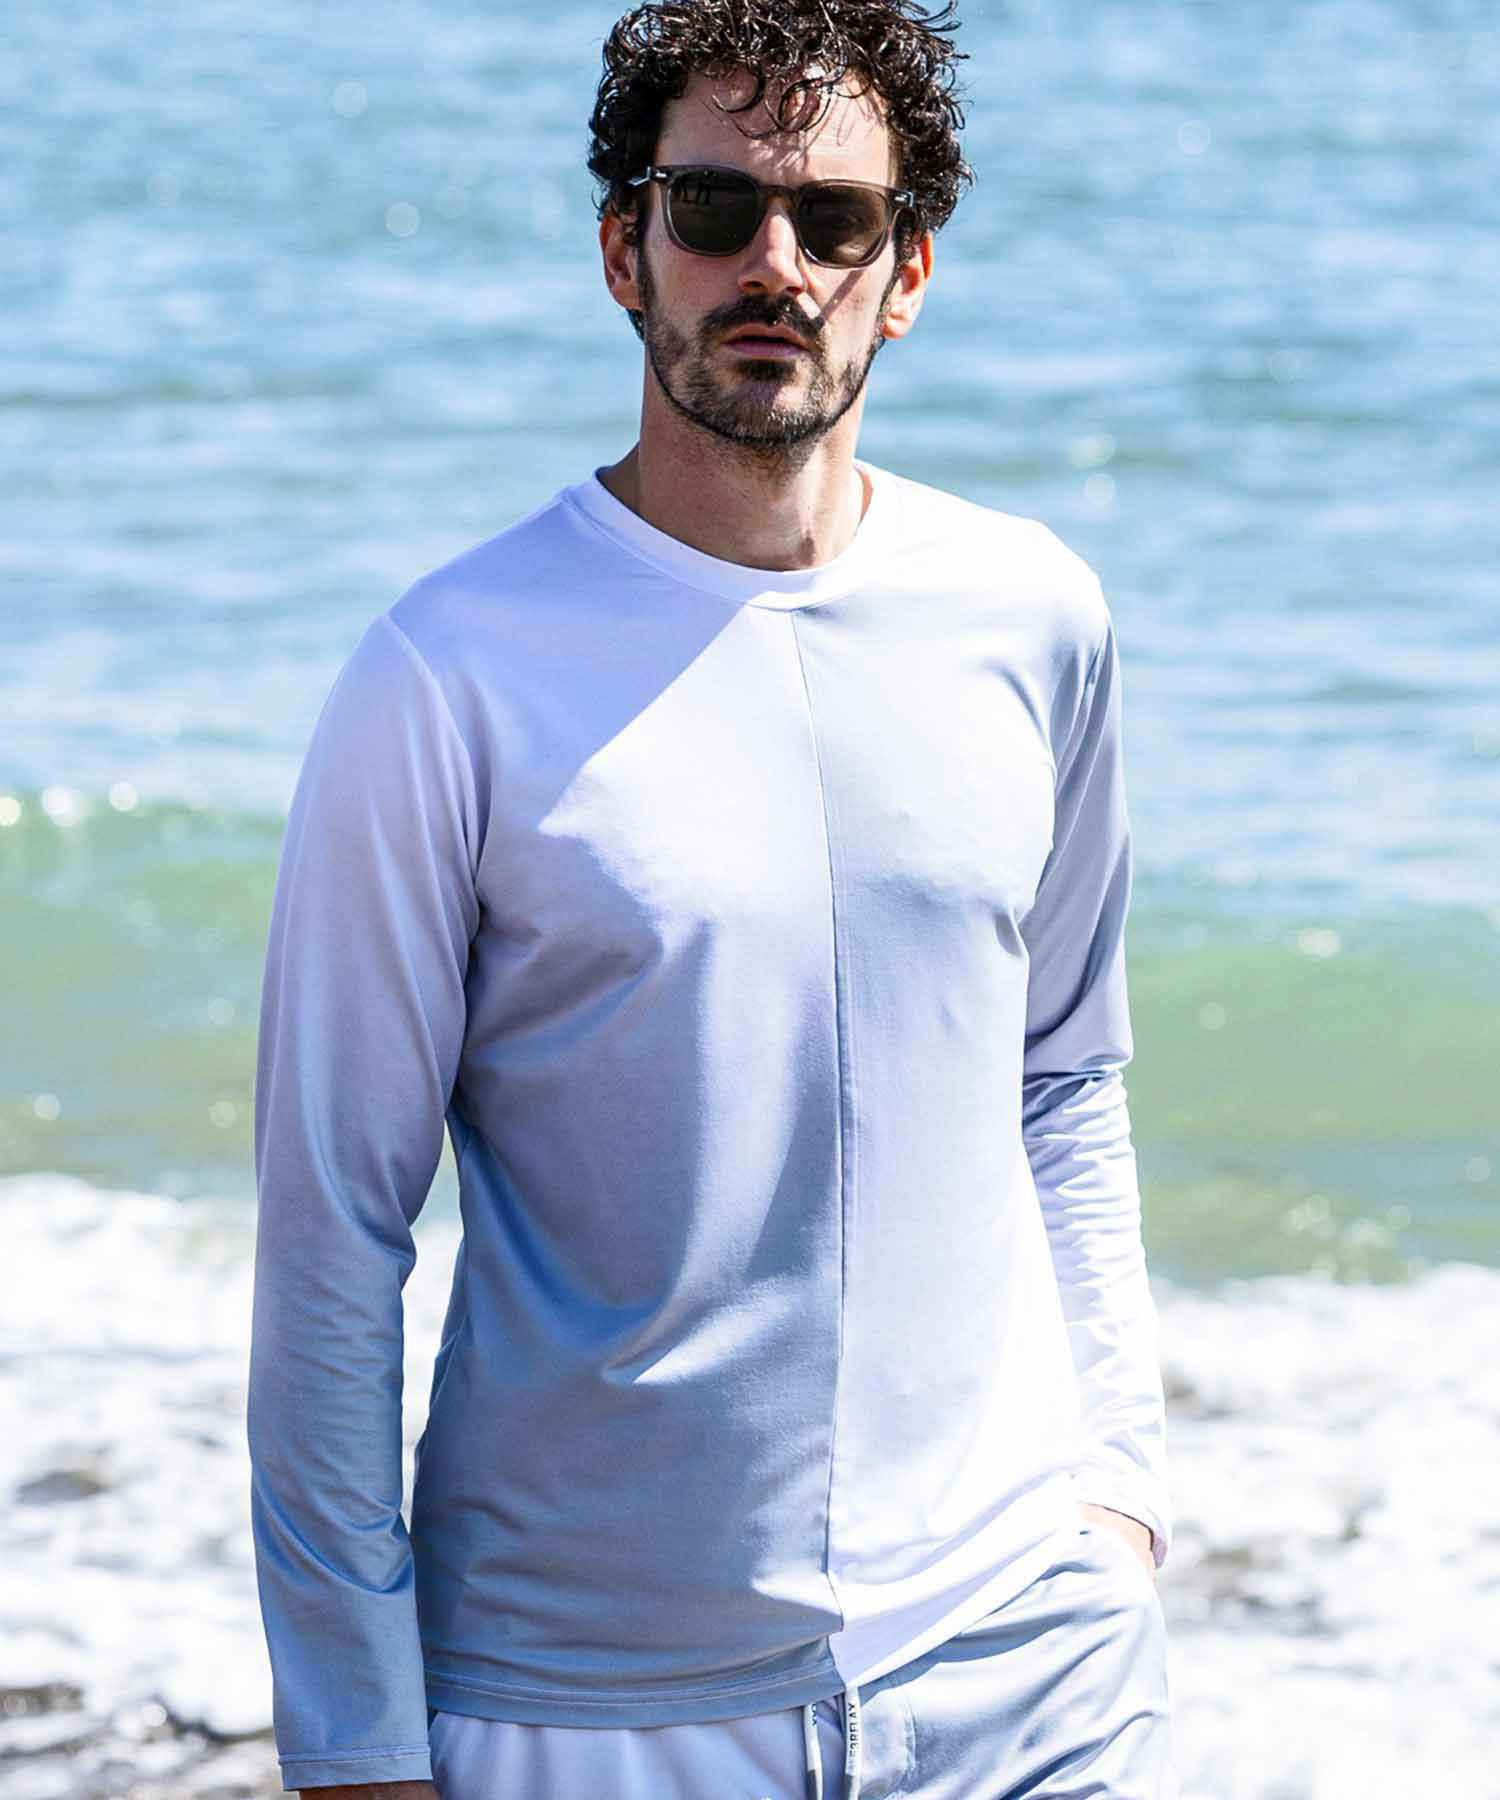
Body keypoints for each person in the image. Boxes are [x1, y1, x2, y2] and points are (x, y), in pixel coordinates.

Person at [246, 2, 1177, 1795]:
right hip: (589, 1705)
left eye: (835, 220)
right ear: (625, 251)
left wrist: (1120, 1498)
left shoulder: (1036, 616)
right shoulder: (444, 678)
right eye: (715, 208)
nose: (776, 265)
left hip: (1029, 1667)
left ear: (907, 275)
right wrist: (354, 1735)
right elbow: (333, 1232)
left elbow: (1065, 1077)